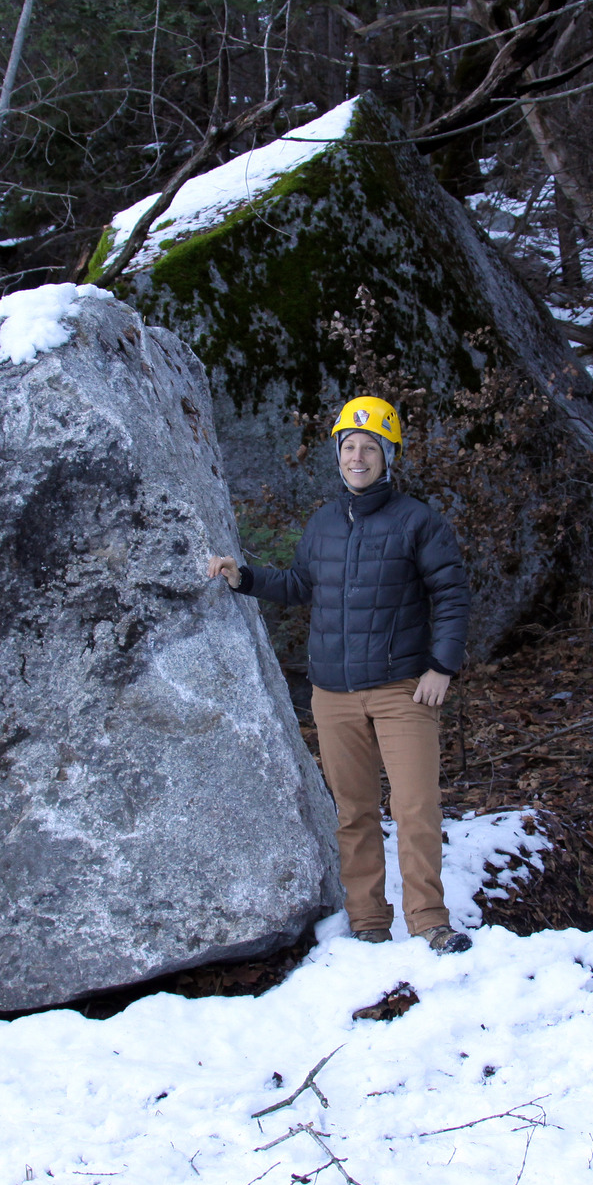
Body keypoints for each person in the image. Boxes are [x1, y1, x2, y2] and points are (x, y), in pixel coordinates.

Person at [207, 396, 474, 953]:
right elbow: (303, 585)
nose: (357, 457)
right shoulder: (325, 521)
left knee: (414, 806)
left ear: (388, 456)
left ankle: (429, 920)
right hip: (333, 693)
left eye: (369, 448)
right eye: (348, 447)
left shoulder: (418, 521)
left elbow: (451, 594)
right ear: (338, 454)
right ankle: (368, 919)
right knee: (353, 810)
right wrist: (246, 577)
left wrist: (442, 667)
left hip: (403, 688)